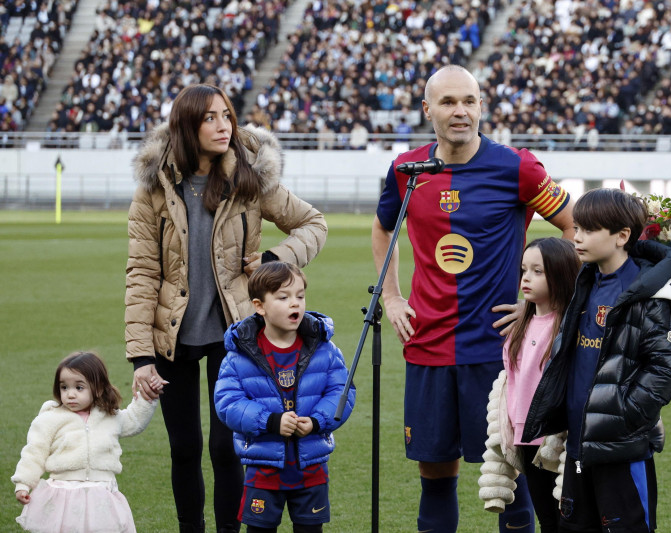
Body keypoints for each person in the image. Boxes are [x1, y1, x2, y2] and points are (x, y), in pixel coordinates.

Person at [370, 64, 575, 532]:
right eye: (447, 102)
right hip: (427, 345)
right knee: (435, 475)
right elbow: (384, 227)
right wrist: (392, 298)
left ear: (482, 106)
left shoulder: (517, 167)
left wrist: (539, 303)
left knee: (512, 472)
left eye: (468, 101)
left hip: (499, 349)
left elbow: (572, 227)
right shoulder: (408, 170)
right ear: (428, 110)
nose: (459, 111)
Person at [126, 83, 327, 533]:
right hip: (170, 337)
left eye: (226, 116)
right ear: (185, 126)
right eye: (210, 118)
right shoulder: (153, 190)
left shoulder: (249, 180)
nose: (223, 126)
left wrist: (277, 260)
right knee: (184, 447)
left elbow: (314, 222)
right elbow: (141, 274)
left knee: (227, 446)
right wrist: (141, 357)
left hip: (233, 335)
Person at [523, 188, 671, 532]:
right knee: (576, 525)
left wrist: (624, 413)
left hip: (620, 452)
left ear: (622, 236)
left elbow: (668, 366)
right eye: (576, 228)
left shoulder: (644, 291)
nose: (576, 237)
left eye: (587, 230)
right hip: (579, 452)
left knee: (623, 525)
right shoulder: (585, 280)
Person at [214, 262, 355, 533]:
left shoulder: (324, 347)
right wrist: (270, 421)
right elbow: (228, 403)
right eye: (283, 297)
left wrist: (316, 421)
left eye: (300, 296)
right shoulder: (240, 354)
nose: (295, 304)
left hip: (311, 469)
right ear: (260, 306)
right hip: (263, 469)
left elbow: (342, 392)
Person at [479, 237, 580, 532]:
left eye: (539, 271)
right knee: (548, 520)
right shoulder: (519, 325)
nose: (526, 277)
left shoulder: (569, 326)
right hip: (525, 442)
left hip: (556, 443)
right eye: (524, 269)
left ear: (561, 274)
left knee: (569, 520)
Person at [12, 351, 158, 533]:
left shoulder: (109, 417)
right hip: (63, 498)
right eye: (64, 387)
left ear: (97, 388)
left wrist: (148, 396)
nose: (70, 394)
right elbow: (34, 453)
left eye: (79, 388)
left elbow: (134, 420)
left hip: (102, 497)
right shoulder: (49, 419)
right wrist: (23, 484)